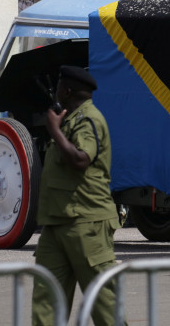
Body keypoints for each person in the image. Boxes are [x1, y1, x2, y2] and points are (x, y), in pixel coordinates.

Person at [31, 66, 125, 326]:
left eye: (59, 86)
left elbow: (81, 159)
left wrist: (55, 131)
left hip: (86, 223)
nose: (56, 91)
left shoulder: (88, 120)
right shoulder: (70, 119)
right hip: (56, 223)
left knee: (104, 304)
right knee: (46, 302)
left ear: (67, 91)